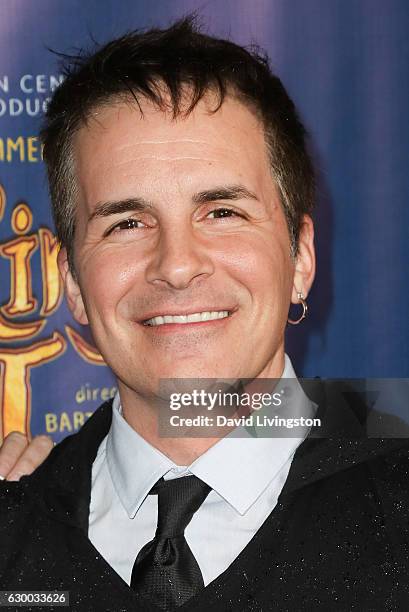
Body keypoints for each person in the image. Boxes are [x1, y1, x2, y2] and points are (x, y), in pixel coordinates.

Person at [1, 17, 409, 612]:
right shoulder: (15, 529)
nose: (177, 264)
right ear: (75, 285)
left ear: (300, 258)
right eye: (127, 223)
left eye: (222, 212)